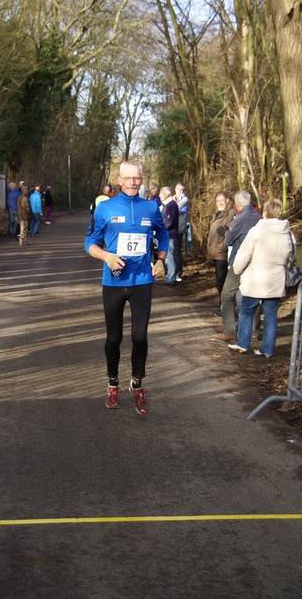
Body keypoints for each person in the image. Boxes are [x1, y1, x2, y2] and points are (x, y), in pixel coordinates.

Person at [85, 160, 168, 415]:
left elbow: (162, 235)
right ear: (119, 180)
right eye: (128, 178)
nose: (133, 182)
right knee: (114, 338)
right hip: (114, 282)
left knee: (140, 337)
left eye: (137, 178)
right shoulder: (105, 209)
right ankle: (112, 383)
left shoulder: (151, 207)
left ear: (142, 180)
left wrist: (162, 259)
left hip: (142, 281)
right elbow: (90, 241)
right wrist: (106, 257)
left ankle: (137, 383)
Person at [228, 199, 293, 357]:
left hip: (255, 278)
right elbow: (291, 255)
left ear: (265, 212)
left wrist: (237, 269)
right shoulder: (287, 233)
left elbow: (244, 254)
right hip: (276, 279)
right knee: (271, 315)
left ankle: (243, 343)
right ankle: (267, 349)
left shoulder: (257, 231)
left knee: (246, 311)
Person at [217, 189, 262, 341]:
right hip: (257, 262)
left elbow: (229, 240)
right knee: (253, 294)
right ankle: (254, 331)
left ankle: (230, 330)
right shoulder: (259, 217)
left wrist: (227, 232)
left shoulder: (239, 219)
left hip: (240, 261)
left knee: (227, 294)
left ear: (237, 204)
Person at [207, 191, 236, 315]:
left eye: (222, 201)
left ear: (227, 200)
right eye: (217, 201)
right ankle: (222, 306)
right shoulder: (217, 214)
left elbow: (231, 231)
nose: (219, 203)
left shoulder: (230, 213)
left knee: (223, 282)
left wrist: (222, 247)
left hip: (222, 253)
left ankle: (226, 308)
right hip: (216, 252)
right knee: (219, 282)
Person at [160, 186, 179, 284]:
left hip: (170, 234)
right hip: (167, 234)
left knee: (169, 256)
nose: (159, 196)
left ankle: (171, 277)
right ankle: (170, 276)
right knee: (168, 256)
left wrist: (161, 229)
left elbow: (169, 221)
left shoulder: (171, 205)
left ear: (166, 195)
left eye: (161, 194)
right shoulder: (167, 205)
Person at [173, 182, 189, 281]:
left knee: (177, 251)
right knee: (171, 250)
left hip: (179, 228)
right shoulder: (172, 198)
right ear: (175, 189)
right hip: (171, 228)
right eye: (179, 189)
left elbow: (175, 210)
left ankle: (178, 273)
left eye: (182, 190)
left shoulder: (184, 200)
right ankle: (171, 271)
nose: (181, 192)